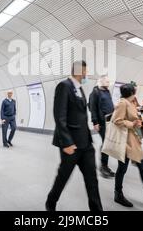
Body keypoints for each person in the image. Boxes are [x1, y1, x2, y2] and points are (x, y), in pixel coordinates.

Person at [46, 60, 103, 212]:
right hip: (71, 145)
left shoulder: (80, 88)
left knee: (92, 180)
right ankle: (51, 202)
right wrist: (66, 142)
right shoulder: (64, 86)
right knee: (63, 177)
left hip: (86, 144)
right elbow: (60, 116)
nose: (86, 74)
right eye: (85, 71)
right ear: (79, 71)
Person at [89, 75, 115, 178]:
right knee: (105, 144)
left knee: (107, 144)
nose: (108, 82)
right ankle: (103, 167)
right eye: (106, 81)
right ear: (100, 81)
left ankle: (105, 166)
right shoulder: (95, 92)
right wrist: (95, 122)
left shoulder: (107, 91)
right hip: (101, 122)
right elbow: (93, 108)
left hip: (109, 122)